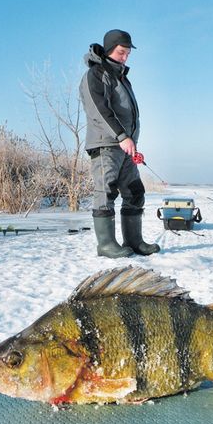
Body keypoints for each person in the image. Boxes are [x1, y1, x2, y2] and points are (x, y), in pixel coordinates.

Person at [80, 29, 160, 258]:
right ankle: (106, 245)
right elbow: (99, 110)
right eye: (121, 52)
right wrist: (121, 136)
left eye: (127, 53)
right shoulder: (97, 74)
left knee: (135, 192)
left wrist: (130, 140)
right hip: (107, 144)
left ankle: (134, 242)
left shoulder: (122, 77)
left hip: (126, 146)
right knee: (105, 192)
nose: (125, 57)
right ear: (109, 49)